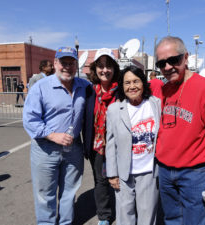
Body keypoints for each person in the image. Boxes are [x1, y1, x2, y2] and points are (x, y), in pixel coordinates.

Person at [155, 36, 205, 225]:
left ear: (186, 57)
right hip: (165, 172)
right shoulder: (164, 90)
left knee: (196, 221)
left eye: (173, 60)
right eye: (161, 63)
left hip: (195, 174)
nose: (167, 67)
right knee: (172, 219)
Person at [23, 46, 92, 225]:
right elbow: (30, 120)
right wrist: (52, 135)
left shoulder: (84, 86)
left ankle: (65, 223)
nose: (67, 67)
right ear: (55, 63)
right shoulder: (40, 88)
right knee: (45, 194)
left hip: (74, 149)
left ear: (76, 65)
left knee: (69, 192)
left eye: (71, 63)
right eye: (63, 63)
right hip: (45, 149)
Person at [106, 65, 161, 225]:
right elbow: (110, 143)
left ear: (143, 83)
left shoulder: (155, 104)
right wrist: (112, 173)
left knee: (147, 215)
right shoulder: (114, 109)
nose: (132, 86)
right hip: (124, 174)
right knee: (124, 215)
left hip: (149, 172)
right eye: (127, 82)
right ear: (122, 86)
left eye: (136, 81)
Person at [86, 48, 120, 225]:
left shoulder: (122, 91)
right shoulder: (90, 91)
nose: (104, 70)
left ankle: (125, 212)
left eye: (108, 66)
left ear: (114, 68)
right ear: (95, 69)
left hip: (120, 146)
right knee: (101, 181)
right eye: (100, 66)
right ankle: (104, 216)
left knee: (123, 179)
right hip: (98, 146)